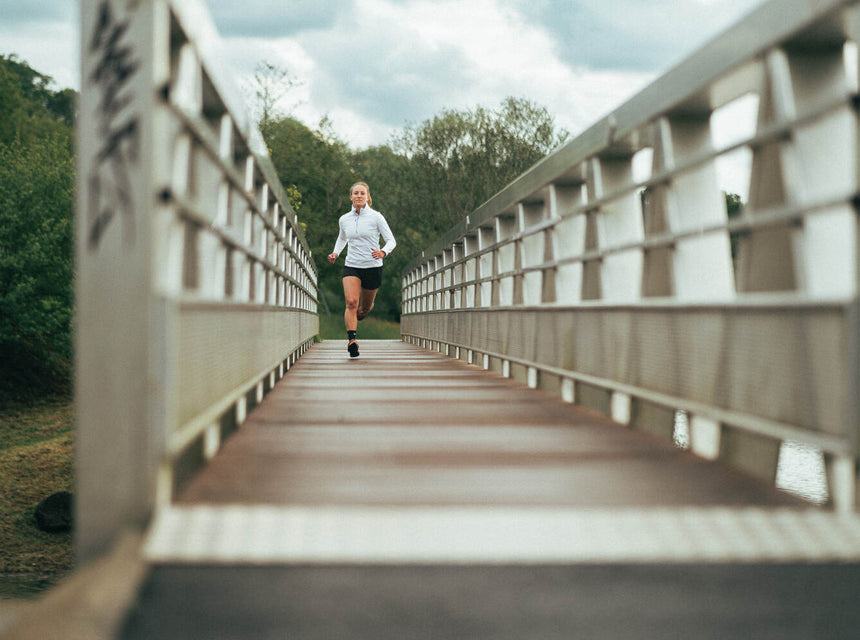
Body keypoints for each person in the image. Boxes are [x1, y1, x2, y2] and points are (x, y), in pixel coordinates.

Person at [327, 181, 396, 358]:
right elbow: (342, 238)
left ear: (367, 197)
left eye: (362, 193)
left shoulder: (376, 217)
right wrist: (335, 253)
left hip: (372, 267)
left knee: (364, 307)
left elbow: (391, 241)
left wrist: (383, 252)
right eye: (355, 193)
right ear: (351, 197)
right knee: (351, 302)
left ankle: (364, 310)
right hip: (352, 265)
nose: (359, 196)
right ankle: (352, 340)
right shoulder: (344, 219)